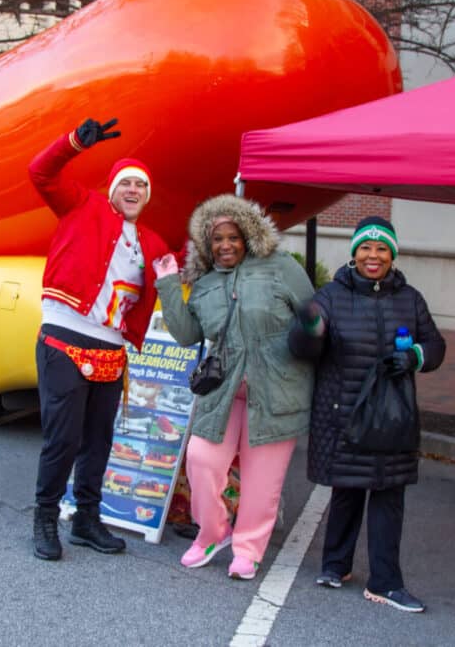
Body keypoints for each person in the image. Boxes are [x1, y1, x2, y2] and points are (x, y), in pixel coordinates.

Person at [288, 215, 445, 612]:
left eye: (381, 249)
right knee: (347, 489)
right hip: (344, 412)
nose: (373, 256)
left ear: (391, 255)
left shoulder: (410, 298)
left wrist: (414, 356)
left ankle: (386, 582)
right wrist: (308, 329)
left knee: (388, 494)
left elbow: (435, 346)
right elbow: (304, 349)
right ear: (354, 252)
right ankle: (335, 565)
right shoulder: (331, 295)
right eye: (365, 248)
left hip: (392, 416)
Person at [29, 117, 169, 561]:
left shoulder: (151, 241)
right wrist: (72, 143)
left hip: (111, 349)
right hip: (64, 338)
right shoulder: (81, 205)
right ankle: (46, 518)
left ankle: (87, 519)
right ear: (112, 189)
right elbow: (40, 173)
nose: (133, 190)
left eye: (141, 186)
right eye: (126, 183)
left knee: (99, 440)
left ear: (147, 196)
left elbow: (177, 266)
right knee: (62, 439)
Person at [152, 194, 313, 580]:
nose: (225, 245)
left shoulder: (280, 268)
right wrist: (169, 285)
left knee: (262, 482)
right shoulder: (206, 284)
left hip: (276, 390)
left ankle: (249, 549)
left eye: (233, 237)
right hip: (222, 391)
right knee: (202, 460)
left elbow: (313, 313)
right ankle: (213, 533)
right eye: (216, 239)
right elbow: (187, 333)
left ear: (248, 236)